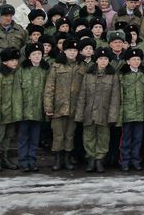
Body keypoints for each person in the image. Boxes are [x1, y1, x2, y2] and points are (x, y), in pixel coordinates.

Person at [75, 47, 121, 173]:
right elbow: (82, 96)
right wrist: (79, 114)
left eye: (105, 59)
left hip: (104, 112)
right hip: (88, 112)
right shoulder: (88, 76)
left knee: (103, 137)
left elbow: (115, 98)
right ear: (96, 60)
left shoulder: (113, 76)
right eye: (100, 59)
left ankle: (100, 159)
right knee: (88, 136)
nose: (103, 61)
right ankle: (91, 159)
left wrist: (112, 116)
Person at [44, 37, 83, 171]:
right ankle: (58, 159)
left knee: (70, 134)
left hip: (74, 107)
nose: (72, 53)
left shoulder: (81, 66)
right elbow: (49, 87)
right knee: (58, 134)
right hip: (58, 107)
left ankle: (67, 158)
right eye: (70, 50)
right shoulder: (56, 66)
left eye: (75, 50)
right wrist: (48, 107)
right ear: (64, 51)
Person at [17, 42, 49, 171]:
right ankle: (23, 161)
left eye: (39, 54)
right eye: (34, 54)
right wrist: (18, 110)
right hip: (24, 110)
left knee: (35, 138)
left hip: (38, 110)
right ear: (29, 56)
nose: (37, 56)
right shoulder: (22, 70)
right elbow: (17, 91)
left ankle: (32, 160)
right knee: (23, 137)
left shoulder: (45, 70)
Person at [0, 47, 21, 172]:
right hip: (1, 113)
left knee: (8, 136)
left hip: (12, 112)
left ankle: (4, 158)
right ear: (4, 62)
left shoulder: (16, 73)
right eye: (12, 60)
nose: (15, 62)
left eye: (16, 60)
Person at [118, 48, 144, 171]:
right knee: (126, 139)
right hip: (127, 112)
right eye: (133, 59)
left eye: (138, 59)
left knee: (138, 139)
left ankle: (135, 160)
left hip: (140, 112)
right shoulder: (122, 75)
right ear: (128, 61)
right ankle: (124, 160)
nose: (136, 61)